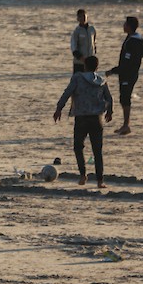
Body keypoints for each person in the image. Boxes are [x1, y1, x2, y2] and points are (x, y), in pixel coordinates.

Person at [53, 55, 113, 189]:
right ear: (97, 67)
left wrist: (59, 109)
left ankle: (83, 175)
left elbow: (67, 93)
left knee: (78, 147)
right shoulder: (102, 80)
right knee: (97, 150)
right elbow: (109, 98)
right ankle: (100, 181)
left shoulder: (77, 78)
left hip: (81, 118)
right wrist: (110, 112)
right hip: (97, 118)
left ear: (85, 66)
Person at [105, 16, 143, 136]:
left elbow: (126, 63)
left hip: (128, 74)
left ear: (129, 27)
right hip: (130, 73)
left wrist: (113, 71)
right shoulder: (135, 39)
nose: (123, 26)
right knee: (124, 98)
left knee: (125, 98)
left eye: (125, 24)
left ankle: (126, 125)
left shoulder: (132, 41)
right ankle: (125, 124)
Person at [70, 9, 97, 74]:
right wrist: (82, 59)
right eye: (80, 17)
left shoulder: (92, 29)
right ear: (78, 19)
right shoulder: (76, 31)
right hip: (79, 63)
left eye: (84, 16)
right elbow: (74, 48)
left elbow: (94, 44)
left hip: (90, 63)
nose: (82, 18)